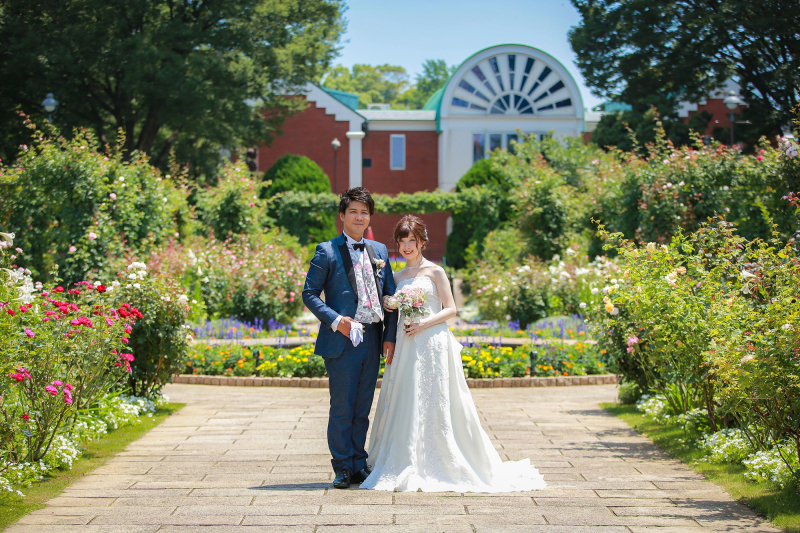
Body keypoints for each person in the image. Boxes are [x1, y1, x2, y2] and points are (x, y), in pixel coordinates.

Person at [359, 215, 546, 492]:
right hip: (405, 343)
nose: (407, 246)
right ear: (397, 244)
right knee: (406, 397)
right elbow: (390, 308)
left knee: (436, 397)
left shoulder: (435, 271)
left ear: (422, 242)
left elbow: (451, 309)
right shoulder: (395, 277)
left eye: (412, 240)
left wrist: (424, 323)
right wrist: (390, 302)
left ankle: (441, 457)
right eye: (402, 241)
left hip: (432, 341)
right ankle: (404, 457)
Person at [302, 187, 398, 489]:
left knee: (362, 407)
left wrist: (390, 337)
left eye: (365, 212)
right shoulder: (326, 251)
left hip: (372, 339)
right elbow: (309, 294)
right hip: (342, 341)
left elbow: (391, 296)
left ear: (369, 217)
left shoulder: (380, 251)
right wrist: (335, 320)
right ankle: (342, 466)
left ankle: (359, 464)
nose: (360, 216)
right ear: (342, 216)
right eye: (354, 211)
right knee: (342, 407)